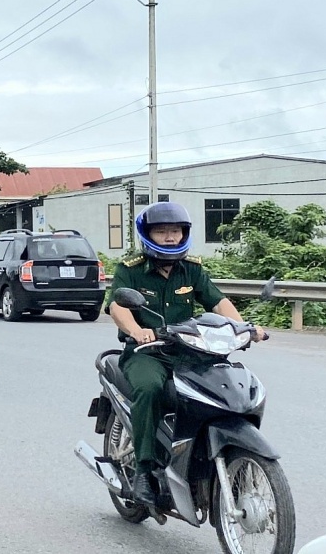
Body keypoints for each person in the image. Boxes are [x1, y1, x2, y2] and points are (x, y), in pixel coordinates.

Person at [106, 202, 264, 506]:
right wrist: (137, 331)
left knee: (221, 388)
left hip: (190, 352)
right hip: (146, 353)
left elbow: (218, 303)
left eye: (175, 231)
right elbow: (118, 306)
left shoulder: (192, 268)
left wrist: (245, 327)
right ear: (148, 234)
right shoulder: (131, 270)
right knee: (150, 389)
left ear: (184, 234)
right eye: (162, 231)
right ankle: (144, 470)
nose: (169, 237)